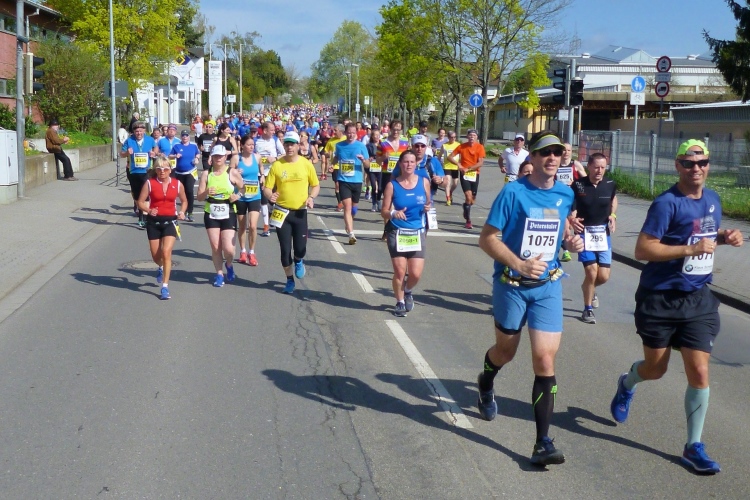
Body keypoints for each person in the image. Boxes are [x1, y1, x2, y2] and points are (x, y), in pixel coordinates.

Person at [609, 139, 744, 475]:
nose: (696, 169)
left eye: (702, 163)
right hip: (659, 298)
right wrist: (689, 250)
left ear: (708, 165)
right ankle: (628, 382)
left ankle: (693, 445)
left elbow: (704, 236)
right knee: (656, 369)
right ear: (678, 166)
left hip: (697, 299)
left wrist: (725, 237)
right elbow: (643, 249)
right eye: (688, 163)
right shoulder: (666, 203)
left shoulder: (713, 199)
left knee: (699, 371)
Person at [476, 130, 582, 466]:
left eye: (557, 152)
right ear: (531, 158)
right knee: (505, 352)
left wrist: (569, 243)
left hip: (547, 286)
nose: (551, 158)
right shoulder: (513, 192)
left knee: (545, 360)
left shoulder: (565, 193)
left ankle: (542, 443)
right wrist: (519, 264)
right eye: (544, 152)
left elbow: (559, 232)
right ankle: (486, 381)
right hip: (512, 284)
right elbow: (487, 239)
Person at [262, 131, 320, 294]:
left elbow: (315, 185)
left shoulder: (306, 164)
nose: (289, 147)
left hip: (300, 212)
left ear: (298, 146)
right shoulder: (277, 165)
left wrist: (311, 197)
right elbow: (267, 188)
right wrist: (270, 195)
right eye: (286, 144)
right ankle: (289, 280)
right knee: (285, 250)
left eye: (292, 144)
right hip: (281, 212)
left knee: (300, 249)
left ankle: (299, 260)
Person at [381, 150, 432, 317]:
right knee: (400, 271)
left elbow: (428, 203)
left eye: (412, 162)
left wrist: (427, 207)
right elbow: (384, 211)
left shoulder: (424, 182)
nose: (409, 165)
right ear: (400, 164)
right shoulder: (392, 185)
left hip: (417, 231)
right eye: (405, 161)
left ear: (416, 164)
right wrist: (394, 213)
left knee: (415, 274)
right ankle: (400, 302)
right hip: (397, 231)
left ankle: (408, 290)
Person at [568, 153, 617, 324]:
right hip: (584, 232)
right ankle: (587, 309)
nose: (599, 171)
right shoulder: (578, 185)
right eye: (596, 167)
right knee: (591, 272)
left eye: (603, 167)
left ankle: (588, 287)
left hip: (603, 234)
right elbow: (571, 208)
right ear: (588, 166)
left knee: (603, 276)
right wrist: (572, 219)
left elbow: (613, 200)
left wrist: (613, 215)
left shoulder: (610, 184)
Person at [137, 155, 187, 300]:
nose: (162, 171)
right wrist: (148, 210)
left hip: (170, 222)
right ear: (155, 170)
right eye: (159, 169)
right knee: (156, 256)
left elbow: (184, 200)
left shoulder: (177, 184)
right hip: (153, 222)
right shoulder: (150, 183)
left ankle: (165, 287)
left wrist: (182, 212)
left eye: (165, 168)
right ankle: (160, 266)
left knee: (166, 252)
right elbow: (140, 202)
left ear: (170, 169)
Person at [196, 144, 244, 287]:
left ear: (225, 157)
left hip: (228, 211)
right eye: (216, 156)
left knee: (229, 248)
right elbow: (199, 197)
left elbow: (243, 188)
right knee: (216, 246)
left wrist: (238, 195)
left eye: (221, 156)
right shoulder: (206, 174)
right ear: (212, 157)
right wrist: (206, 192)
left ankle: (229, 264)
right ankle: (219, 274)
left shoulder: (232, 172)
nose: (218, 158)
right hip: (211, 212)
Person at [333, 123, 370, 244]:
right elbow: (336, 158)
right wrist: (332, 165)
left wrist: (363, 160)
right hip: (343, 180)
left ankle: (348, 223)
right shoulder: (339, 145)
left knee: (354, 209)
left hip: (357, 180)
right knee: (347, 207)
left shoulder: (361, 146)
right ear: (345, 133)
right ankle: (351, 234)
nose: (351, 135)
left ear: (356, 133)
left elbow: (367, 165)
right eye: (349, 133)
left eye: (353, 133)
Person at [232, 134, 263, 267]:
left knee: (253, 226)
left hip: (255, 195)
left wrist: (262, 176)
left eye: (253, 145)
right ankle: (243, 251)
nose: (251, 147)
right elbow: (229, 175)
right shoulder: (236, 158)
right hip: (240, 195)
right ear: (243, 146)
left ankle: (252, 252)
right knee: (242, 226)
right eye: (249, 145)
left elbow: (261, 167)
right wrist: (235, 172)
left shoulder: (257, 157)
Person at [120, 121, 158, 228]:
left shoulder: (150, 140)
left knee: (145, 195)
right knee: (137, 195)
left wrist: (154, 153)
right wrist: (127, 153)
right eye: (137, 131)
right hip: (134, 172)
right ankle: (141, 213)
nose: (139, 133)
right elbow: (121, 154)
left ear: (144, 131)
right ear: (133, 132)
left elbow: (156, 147)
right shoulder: (129, 141)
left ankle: (143, 217)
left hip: (147, 171)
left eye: (141, 131)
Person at [447, 129, 486, 229]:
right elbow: (450, 157)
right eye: (470, 135)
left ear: (477, 137)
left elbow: (480, 162)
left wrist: (469, 168)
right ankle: (468, 221)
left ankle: (466, 207)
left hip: (474, 173)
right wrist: (459, 165)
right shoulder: (461, 146)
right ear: (467, 137)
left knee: (472, 200)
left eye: (474, 135)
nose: (472, 137)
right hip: (464, 174)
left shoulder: (480, 147)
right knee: (468, 196)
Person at [255, 121, 285, 236]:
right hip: (261, 174)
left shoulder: (275, 140)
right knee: (264, 200)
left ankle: (272, 213)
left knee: (273, 199)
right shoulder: (256, 141)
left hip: (274, 173)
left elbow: (284, 154)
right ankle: (266, 226)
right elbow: (251, 156)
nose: (274, 132)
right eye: (271, 130)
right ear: (265, 130)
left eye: (274, 130)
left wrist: (275, 158)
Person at [169, 130, 201, 222]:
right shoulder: (177, 146)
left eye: (186, 135)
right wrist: (175, 156)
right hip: (179, 173)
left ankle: (190, 212)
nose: (185, 137)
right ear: (181, 137)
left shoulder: (193, 145)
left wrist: (197, 158)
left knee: (189, 191)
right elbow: (170, 155)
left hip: (190, 172)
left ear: (189, 137)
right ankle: (180, 211)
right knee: (180, 192)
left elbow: (198, 153)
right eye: (183, 135)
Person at [324, 124, 347, 210]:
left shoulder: (346, 139)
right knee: (337, 184)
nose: (334, 132)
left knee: (345, 185)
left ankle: (346, 201)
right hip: (335, 166)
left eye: (335, 130)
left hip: (346, 165)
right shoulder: (331, 140)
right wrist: (328, 154)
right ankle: (340, 203)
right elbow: (325, 152)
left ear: (341, 131)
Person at [439, 131, 461, 205]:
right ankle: (448, 199)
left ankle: (450, 192)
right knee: (448, 182)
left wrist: (460, 164)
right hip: (446, 166)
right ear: (448, 137)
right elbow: (439, 155)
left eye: (455, 137)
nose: (453, 138)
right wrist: (438, 164)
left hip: (455, 166)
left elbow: (461, 155)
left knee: (455, 183)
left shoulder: (458, 145)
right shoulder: (444, 145)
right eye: (452, 137)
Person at [366, 127, 382, 212]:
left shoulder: (383, 144)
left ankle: (379, 200)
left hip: (381, 168)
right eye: (375, 135)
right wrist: (369, 158)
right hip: (372, 168)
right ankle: (374, 204)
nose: (376, 136)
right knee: (373, 186)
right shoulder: (368, 146)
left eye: (378, 135)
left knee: (380, 188)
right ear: (372, 136)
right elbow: (366, 156)